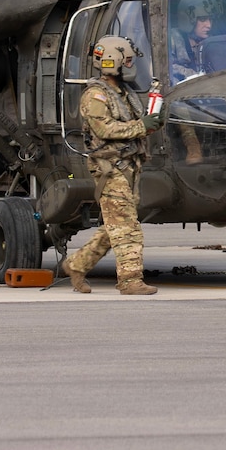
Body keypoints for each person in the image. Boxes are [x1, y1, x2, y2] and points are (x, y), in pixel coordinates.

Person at [65, 35, 164, 295]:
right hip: (111, 169)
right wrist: (142, 125)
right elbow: (104, 128)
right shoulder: (95, 96)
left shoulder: (123, 93)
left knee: (115, 226)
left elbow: (136, 128)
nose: (132, 66)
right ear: (113, 62)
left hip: (130, 166)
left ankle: (77, 264)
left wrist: (153, 120)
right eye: (128, 60)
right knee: (126, 228)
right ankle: (130, 280)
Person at [169, 0, 214, 83]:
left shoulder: (212, 43)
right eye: (203, 19)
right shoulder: (173, 40)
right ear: (187, 20)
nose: (209, 25)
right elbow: (166, 69)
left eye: (210, 19)